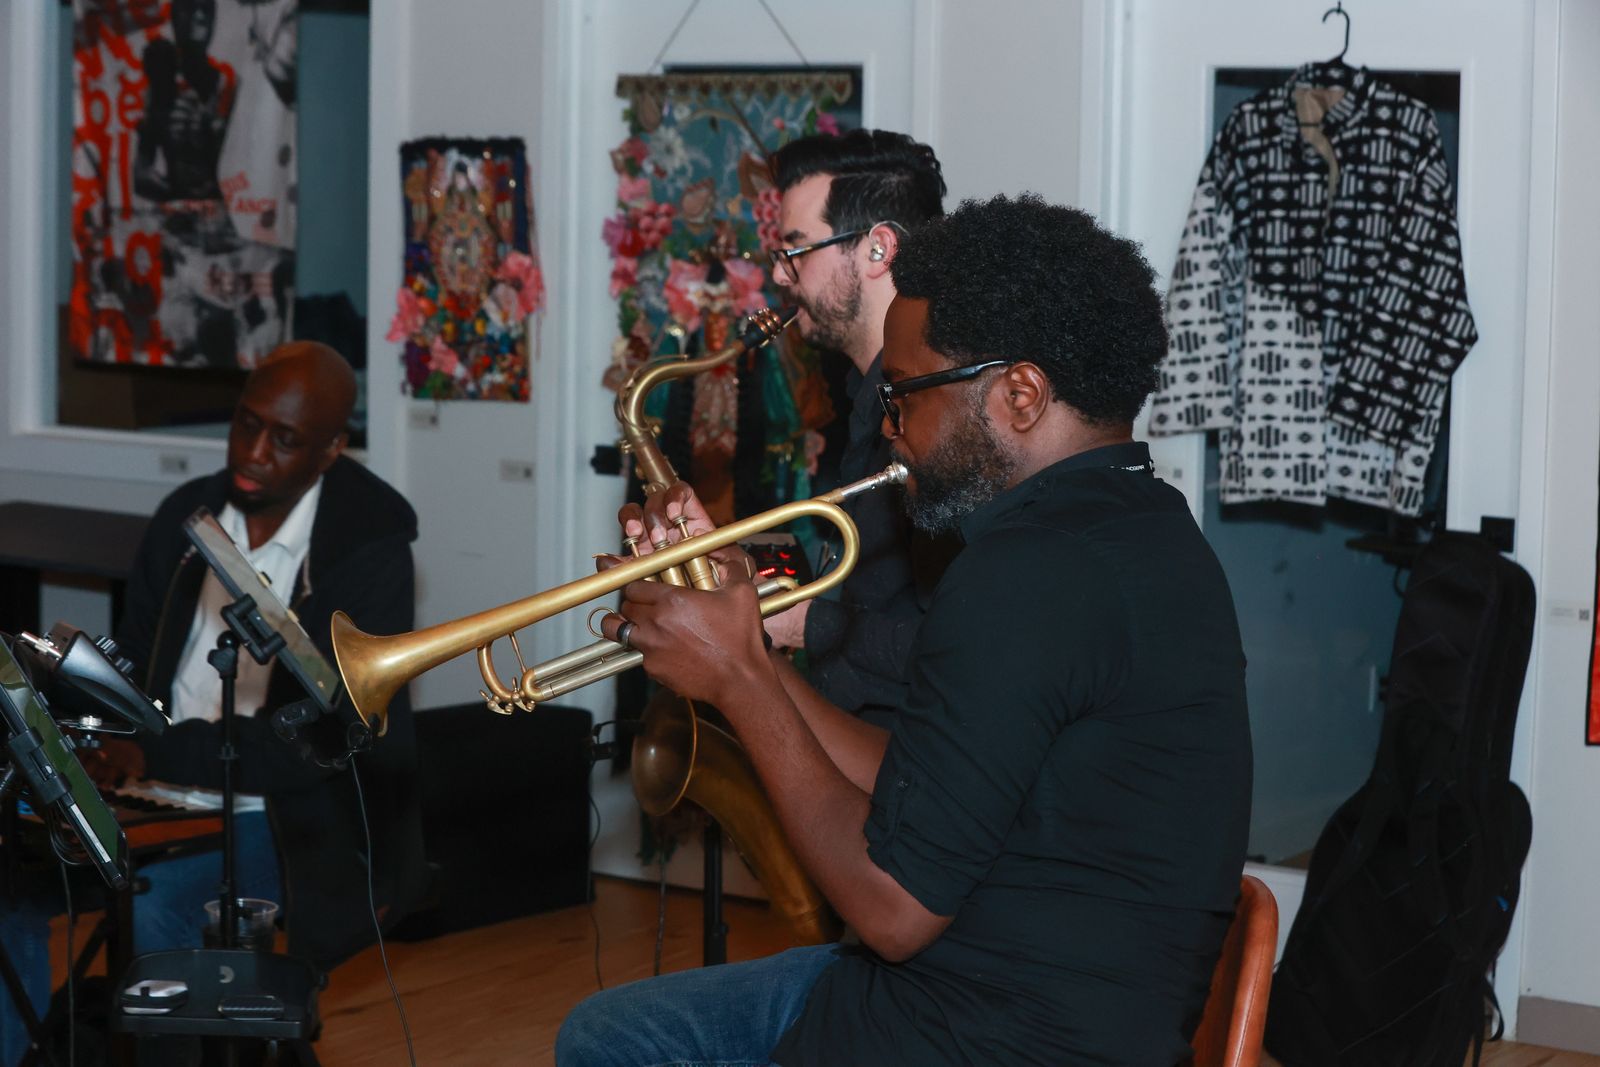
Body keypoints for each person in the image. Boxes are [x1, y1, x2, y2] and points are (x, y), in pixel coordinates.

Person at [559, 194, 1253, 1065]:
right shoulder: (1147, 531)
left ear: (1020, 395)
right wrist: (753, 644)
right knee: (612, 1027)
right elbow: (935, 780)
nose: (891, 428)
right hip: (1006, 992)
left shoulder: (1027, 572)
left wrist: (737, 677)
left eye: (904, 394)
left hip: (982, 1034)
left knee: (609, 1044)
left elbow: (892, 911)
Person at [0, 342, 425, 1065]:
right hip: (159, 786)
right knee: (10, 875)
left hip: (285, 817)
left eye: (284, 439)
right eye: (246, 423)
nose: (253, 452)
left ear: (331, 450)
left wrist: (154, 750)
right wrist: (96, 732)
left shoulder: (369, 546)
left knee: (153, 905)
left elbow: (317, 740)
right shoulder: (187, 517)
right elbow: (133, 659)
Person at [759, 129, 955, 720]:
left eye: (797, 249)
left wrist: (807, 623)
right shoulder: (864, 392)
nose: (780, 276)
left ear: (878, 250)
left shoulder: (940, 419)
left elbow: (965, 649)